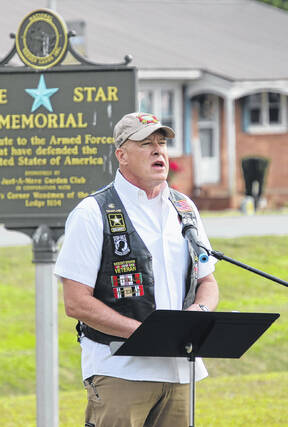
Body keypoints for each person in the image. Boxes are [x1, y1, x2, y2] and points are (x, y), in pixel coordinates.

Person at [54, 112, 219, 427]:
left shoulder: (184, 209)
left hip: (180, 372)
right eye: (146, 143)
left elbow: (207, 280)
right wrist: (145, 334)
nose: (158, 150)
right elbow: (75, 302)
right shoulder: (93, 212)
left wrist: (199, 310)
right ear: (122, 155)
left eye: (162, 142)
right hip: (120, 370)